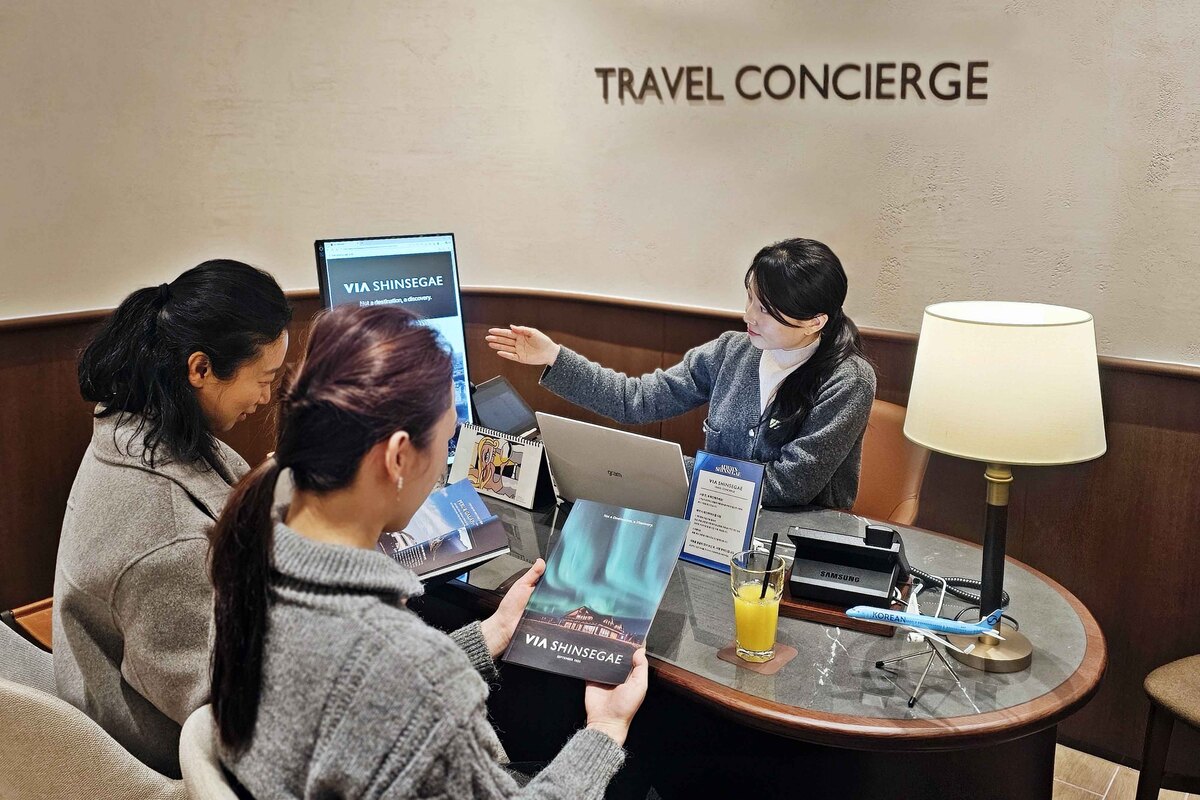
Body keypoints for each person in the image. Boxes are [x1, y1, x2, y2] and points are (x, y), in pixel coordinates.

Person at [210, 304, 647, 799]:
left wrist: (491, 633)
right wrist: (604, 731)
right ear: (398, 456)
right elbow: (401, 684)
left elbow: (371, 694)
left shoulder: (245, 558)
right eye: (447, 439)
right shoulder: (413, 670)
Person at [53, 260, 292, 777]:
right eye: (265, 379)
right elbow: (247, 724)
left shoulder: (141, 432)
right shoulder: (165, 538)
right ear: (200, 369)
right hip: (177, 766)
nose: (266, 397)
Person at [487, 238, 877, 509]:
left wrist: (668, 470)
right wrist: (554, 357)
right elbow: (636, 400)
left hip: (791, 547)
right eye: (750, 299)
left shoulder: (849, 381)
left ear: (814, 322)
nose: (748, 316)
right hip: (715, 525)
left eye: (765, 310)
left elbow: (788, 487)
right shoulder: (732, 352)